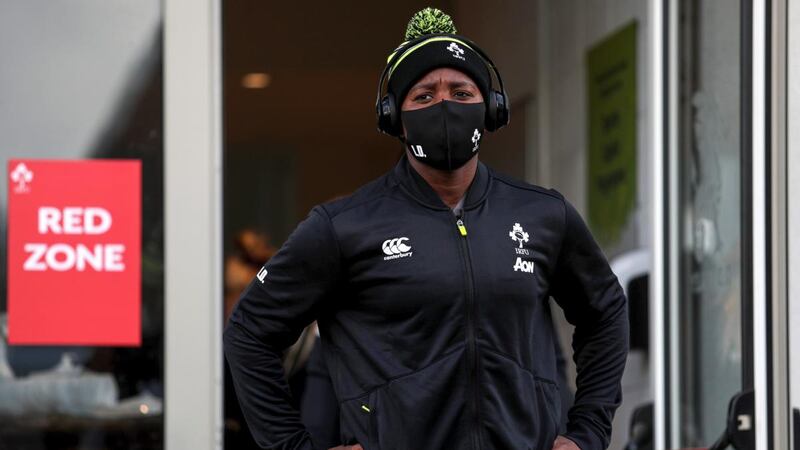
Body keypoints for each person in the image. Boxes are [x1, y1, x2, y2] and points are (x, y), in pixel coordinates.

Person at [224, 8, 628, 450]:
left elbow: (605, 311)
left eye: (461, 91)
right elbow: (249, 332)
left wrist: (587, 433)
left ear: (490, 109)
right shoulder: (343, 227)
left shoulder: (543, 215)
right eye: (423, 96)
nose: (444, 105)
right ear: (394, 116)